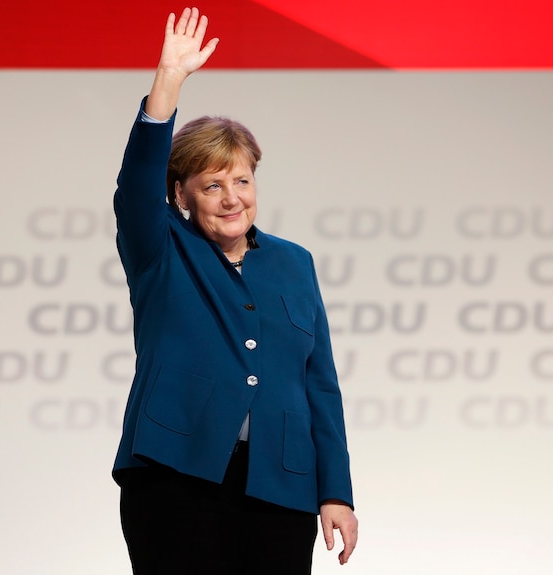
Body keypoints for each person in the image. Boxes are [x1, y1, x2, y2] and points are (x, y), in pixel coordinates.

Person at [111, 8, 357, 574]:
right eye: (212, 185)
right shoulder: (162, 249)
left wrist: (335, 492)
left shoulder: (295, 263)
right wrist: (166, 85)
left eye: (242, 181)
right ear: (182, 195)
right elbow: (136, 187)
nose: (231, 198)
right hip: (176, 476)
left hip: (281, 485)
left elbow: (320, 385)